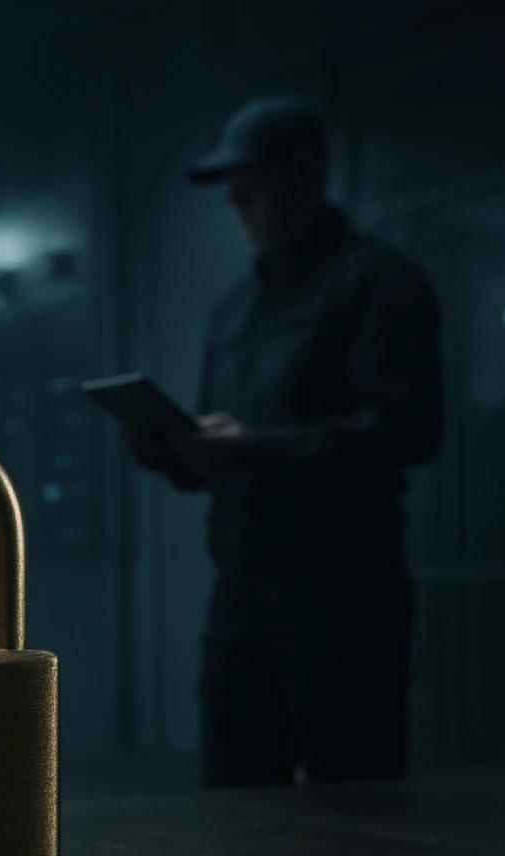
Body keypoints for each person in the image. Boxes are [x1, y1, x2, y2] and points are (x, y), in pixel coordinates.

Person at [129, 96, 443, 788]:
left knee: (361, 823)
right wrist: (171, 451)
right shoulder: (233, 309)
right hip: (240, 598)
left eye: (250, 181)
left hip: (345, 599)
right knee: (236, 815)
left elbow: (406, 431)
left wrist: (254, 447)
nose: (235, 199)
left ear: (304, 172)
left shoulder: (379, 282)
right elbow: (225, 453)